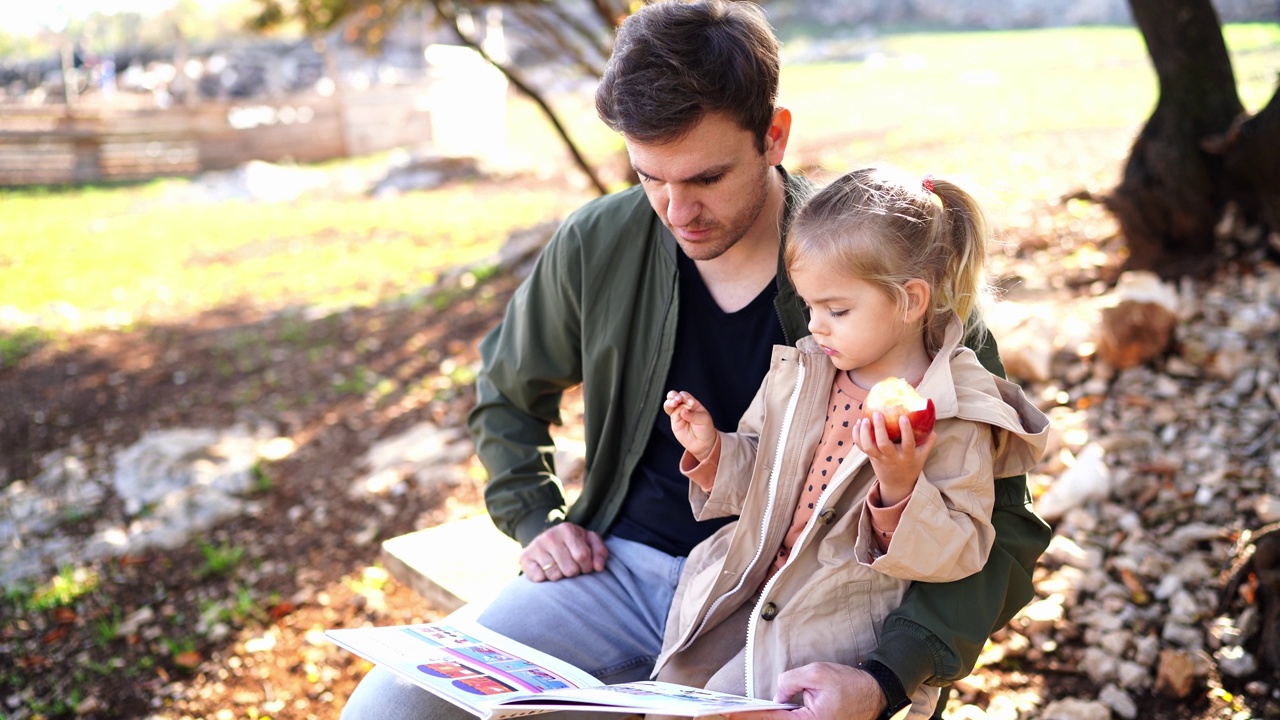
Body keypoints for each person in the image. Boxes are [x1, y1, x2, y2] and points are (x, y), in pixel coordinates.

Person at [342, 2, 1052, 719]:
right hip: (617, 574)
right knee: (388, 708)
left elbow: (1006, 527)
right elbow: (505, 394)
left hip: (801, 608)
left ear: (774, 136)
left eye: (706, 178)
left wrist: (888, 677)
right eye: (651, 176)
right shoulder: (599, 240)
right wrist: (537, 517)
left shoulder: (876, 263)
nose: (676, 210)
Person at [653, 167, 1050, 718]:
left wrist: (900, 485)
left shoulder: (954, 410)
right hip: (742, 595)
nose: (815, 326)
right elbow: (764, 481)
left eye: (836, 310)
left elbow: (961, 551)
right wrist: (714, 449)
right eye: (809, 306)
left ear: (911, 301)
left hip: (835, 636)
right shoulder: (804, 372)